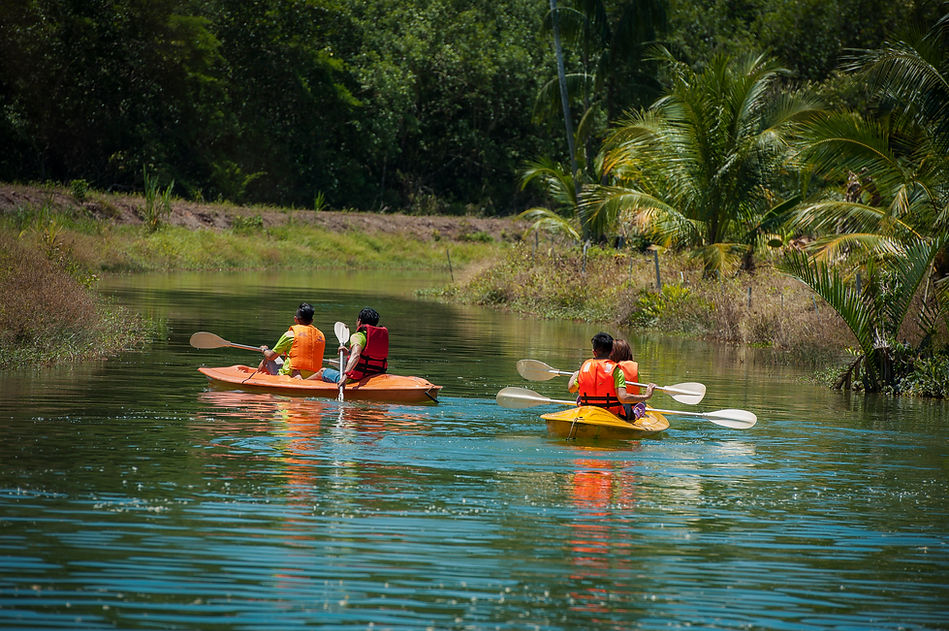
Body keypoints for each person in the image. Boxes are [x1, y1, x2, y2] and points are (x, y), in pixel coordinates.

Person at [567, 332, 655, 420]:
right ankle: (636, 415)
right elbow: (623, 398)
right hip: (612, 413)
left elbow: (571, 389)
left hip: (587, 410)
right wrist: (647, 396)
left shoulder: (584, 368)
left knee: (580, 397)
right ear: (612, 351)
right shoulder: (616, 370)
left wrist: (575, 375)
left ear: (594, 352)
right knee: (629, 404)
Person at [319, 307, 389, 384]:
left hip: (355, 378)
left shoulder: (358, 336)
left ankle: (303, 386)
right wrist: (349, 352)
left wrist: (345, 376)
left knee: (322, 371)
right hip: (376, 376)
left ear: (359, 321)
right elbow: (368, 354)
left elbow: (356, 355)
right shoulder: (378, 338)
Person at [258, 303, 326, 379]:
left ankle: (257, 379)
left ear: (295, 319)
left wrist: (264, 350)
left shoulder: (290, 335)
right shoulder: (320, 336)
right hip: (313, 376)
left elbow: (271, 356)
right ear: (312, 321)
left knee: (268, 357)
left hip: (290, 375)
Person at [610, 338, 646, 419]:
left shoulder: (607, 370)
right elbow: (639, 394)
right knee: (642, 402)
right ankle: (637, 413)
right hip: (626, 408)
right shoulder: (635, 372)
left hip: (610, 405)